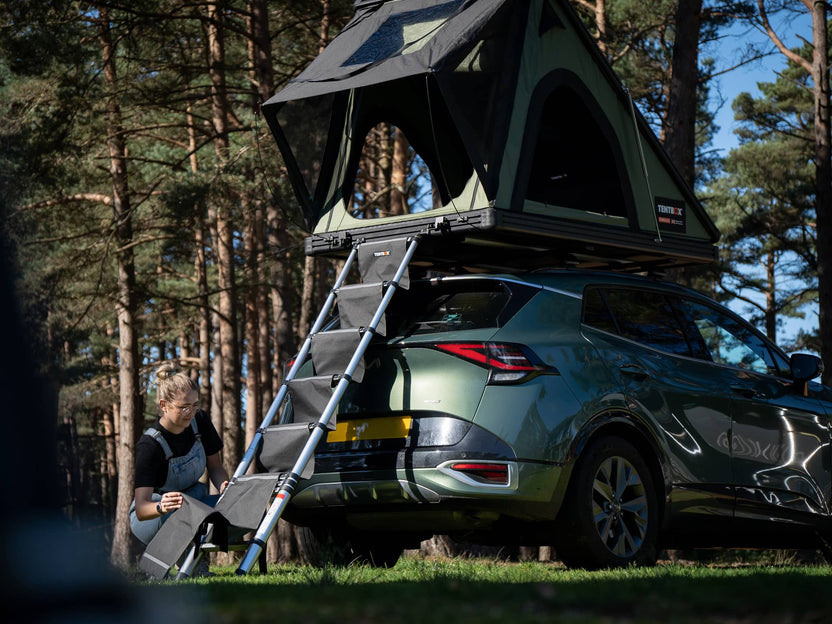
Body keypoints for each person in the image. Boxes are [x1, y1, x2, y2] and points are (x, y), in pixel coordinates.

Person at [130, 364, 230, 548]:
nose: (190, 413)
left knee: (235, 508)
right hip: (155, 516)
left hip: (195, 502)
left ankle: (196, 557)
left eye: (194, 405)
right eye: (183, 407)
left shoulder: (200, 421)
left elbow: (216, 468)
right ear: (164, 405)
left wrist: (224, 486)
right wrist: (162, 506)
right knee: (184, 515)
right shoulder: (149, 445)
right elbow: (141, 510)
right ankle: (181, 566)